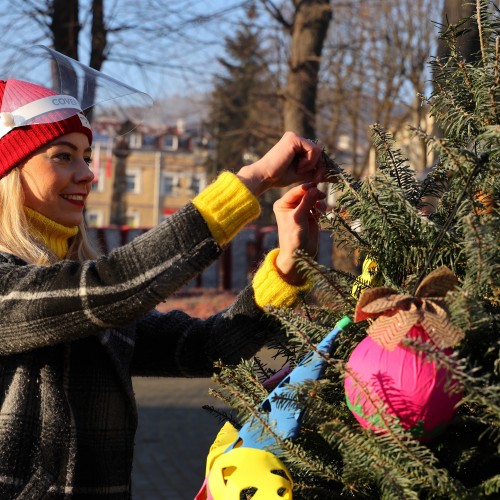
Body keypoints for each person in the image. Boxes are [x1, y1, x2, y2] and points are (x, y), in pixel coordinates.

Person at [0, 75, 327, 499]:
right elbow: (112, 286)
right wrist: (253, 181)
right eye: (63, 157)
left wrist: (287, 266)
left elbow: (208, 346)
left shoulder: (93, 301)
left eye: (86, 156)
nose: (87, 174)